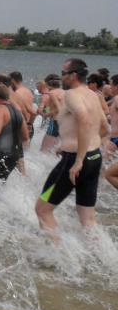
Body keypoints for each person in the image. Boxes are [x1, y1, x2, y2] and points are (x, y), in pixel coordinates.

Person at [36, 58, 109, 240]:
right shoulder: (93, 95)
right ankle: (101, 254)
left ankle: (58, 254)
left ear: (73, 75)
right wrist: (82, 147)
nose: (61, 77)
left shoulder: (71, 95)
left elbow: (84, 120)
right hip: (94, 157)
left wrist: (78, 159)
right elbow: (104, 128)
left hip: (76, 161)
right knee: (87, 218)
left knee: (42, 210)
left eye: (63, 73)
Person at [9, 71, 37, 143]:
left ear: (12, 80)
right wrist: (30, 124)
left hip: (21, 127)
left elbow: (20, 111)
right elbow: (33, 111)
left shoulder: (17, 94)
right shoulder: (29, 91)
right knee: (27, 149)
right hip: (29, 126)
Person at [40, 74, 64, 154]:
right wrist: (47, 112)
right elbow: (50, 107)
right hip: (64, 123)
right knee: (55, 148)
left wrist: (45, 115)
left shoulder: (52, 93)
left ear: (47, 84)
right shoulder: (64, 92)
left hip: (55, 122)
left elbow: (58, 109)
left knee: (44, 150)